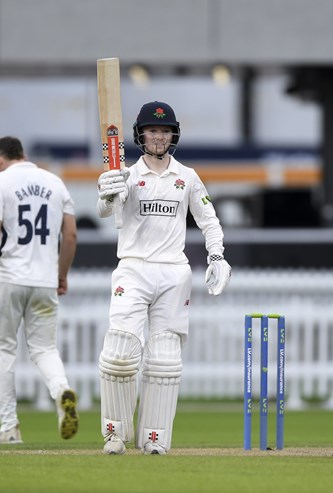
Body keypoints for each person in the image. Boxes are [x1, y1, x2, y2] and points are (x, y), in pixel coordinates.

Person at [96, 101, 231, 455]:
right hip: (133, 267)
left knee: (165, 359)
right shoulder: (126, 175)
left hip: (173, 271)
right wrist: (106, 192)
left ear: (174, 135)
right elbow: (106, 209)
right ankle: (115, 433)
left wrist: (217, 255)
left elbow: (209, 221)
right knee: (119, 352)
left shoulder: (187, 177)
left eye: (165, 131)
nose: (158, 137)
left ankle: (154, 439)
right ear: (141, 135)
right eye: (152, 131)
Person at [0, 136, 79, 444]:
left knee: (3, 350)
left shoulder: (0, 181)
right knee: (44, 349)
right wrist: (62, 275)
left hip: (10, 277)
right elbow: (70, 235)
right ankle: (61, 391)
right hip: (45, 280)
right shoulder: (55, 183)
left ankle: (9, 426)